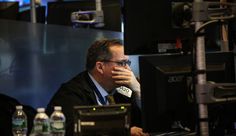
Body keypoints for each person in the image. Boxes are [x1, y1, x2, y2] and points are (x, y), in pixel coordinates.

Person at [46, 39, 148, 136]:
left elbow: (144, 122)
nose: (128, 69)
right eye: (122, 63)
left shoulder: (123, 90)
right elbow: (72, 131)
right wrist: (123, 132)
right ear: (100, 67)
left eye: (128, 63)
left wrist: (138, 90)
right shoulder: (72, 93)